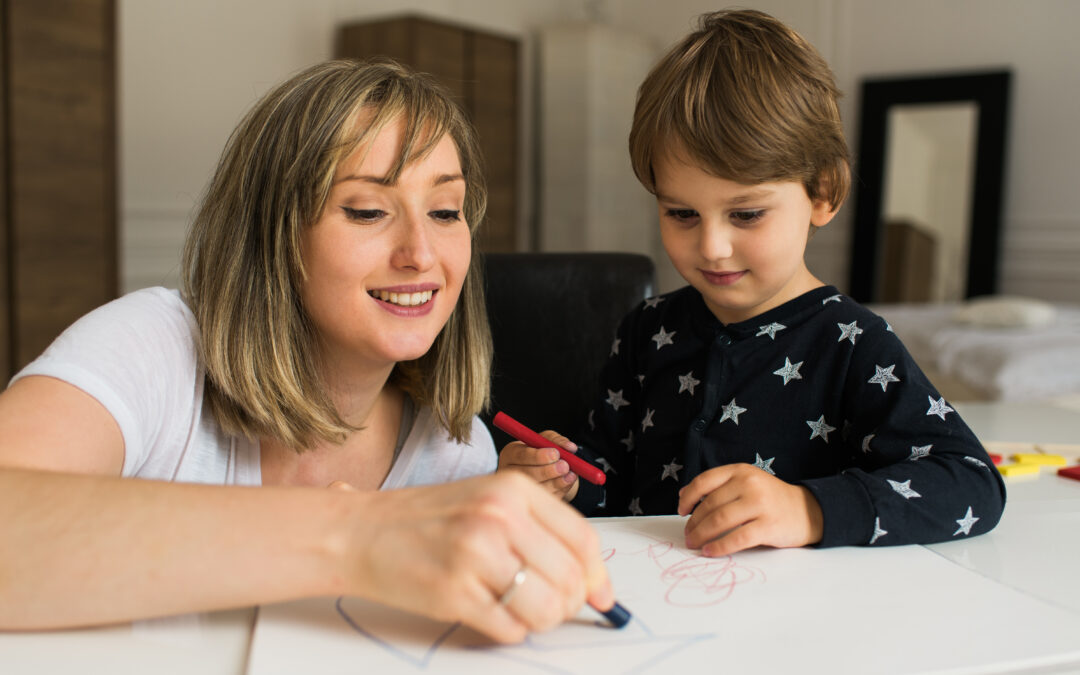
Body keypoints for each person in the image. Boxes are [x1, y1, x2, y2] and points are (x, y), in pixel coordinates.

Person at [0, 59, 614, 644]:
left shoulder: (454, 455)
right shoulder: (151, 346)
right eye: (368, 210)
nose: (422, 254)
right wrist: (356, 539)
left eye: (446, 211)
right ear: (271, 234)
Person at [498, 9, 1005, 556]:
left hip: (785, 625)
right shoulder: (646, 329)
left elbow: (970, 482)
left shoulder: (852, 342)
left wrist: (808, 509)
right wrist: (564, 478)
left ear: (824, 192)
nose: (712, 247)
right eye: (682, 214)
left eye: (746, 215)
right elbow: (612, 477)